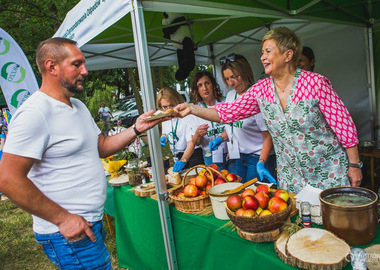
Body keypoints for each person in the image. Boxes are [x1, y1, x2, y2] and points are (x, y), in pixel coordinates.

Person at [0, 37, 166, 269]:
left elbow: (101, 146)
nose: (85, 71)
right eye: (76, 64)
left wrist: (136, 128)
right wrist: (63, 219)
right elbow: (8, 179)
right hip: (67, 233)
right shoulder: (35, 112)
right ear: (52, 67)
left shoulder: (77, 106)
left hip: (88, 223)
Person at [174, 27, 362, 193]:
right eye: (262, 52)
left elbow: (343, 125)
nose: (262, 57)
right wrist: (191, 108)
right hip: (292, 178)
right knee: (299, 229)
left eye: (268, 51)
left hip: (328, 172)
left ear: (288, 55)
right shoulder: (261, 89)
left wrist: (354, 165)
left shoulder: (316, 84)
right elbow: (226, 112)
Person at [209, 53, 276, 183]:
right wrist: (220, 138)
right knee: (243, 195)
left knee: (255, 197)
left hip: (257, 157)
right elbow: (232, 127)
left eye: (235, 76)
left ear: (245, 72)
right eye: (227, 79)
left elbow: (269, 136)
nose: (231, 82)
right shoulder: (230, 96)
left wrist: (262, 162)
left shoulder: (256, 96)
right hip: (239, 157)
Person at [189, 71, 233, 171]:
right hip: (211, 157)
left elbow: (234, 126)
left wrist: (221, 138)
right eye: (200, 85)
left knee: (236, 183)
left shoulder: (225, 101)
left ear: (213, 84)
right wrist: (198, 134)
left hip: (231, 153)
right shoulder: (195, 110)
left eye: (207, 83)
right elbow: (195, 142)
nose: (205, 88)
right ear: (197, 90)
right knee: (217, 185)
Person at [156, 87, 204, 172]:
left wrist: (183, 160)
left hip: (193, 155)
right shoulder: (165, 118)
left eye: (172, 105)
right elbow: (165, 133)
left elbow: (191, 143)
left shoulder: (188, 117)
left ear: (178, 102)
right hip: (177, 156)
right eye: (165, 107)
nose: (169, 110)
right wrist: (164, 138)